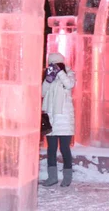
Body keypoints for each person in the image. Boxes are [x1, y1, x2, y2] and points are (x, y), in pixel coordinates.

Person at [41, 52, 76, 187]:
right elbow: (42, 93)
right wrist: (48, 78)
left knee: (65, 148)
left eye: (56, 64)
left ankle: (67, 177)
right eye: (51, 64)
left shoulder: (69, 74)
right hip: (51, 118)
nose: (54, 67)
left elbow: (69, 85)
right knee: (51, 149)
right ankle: (52, 177)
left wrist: (60, 72)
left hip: (65, 118)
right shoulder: (49, 77)